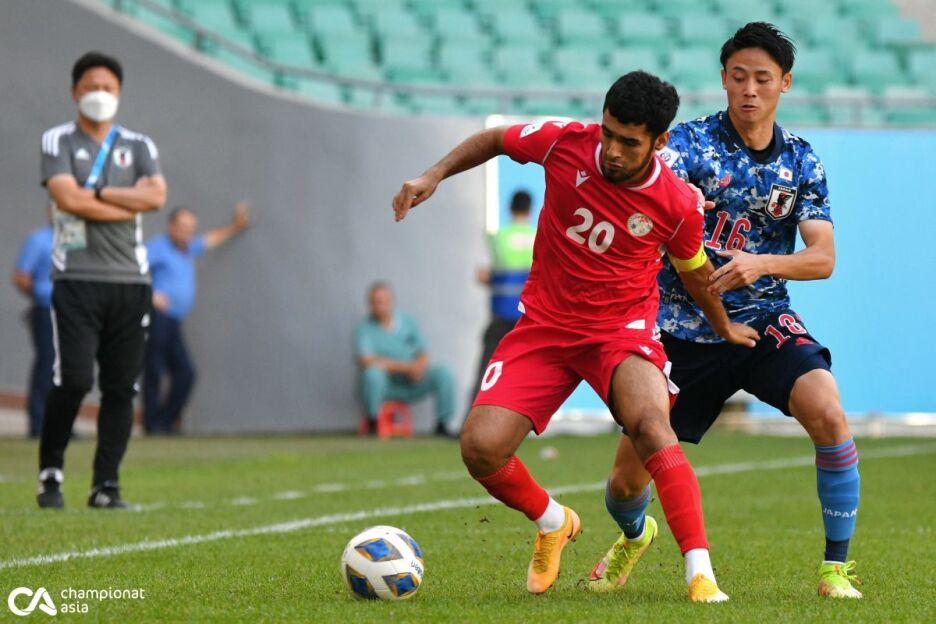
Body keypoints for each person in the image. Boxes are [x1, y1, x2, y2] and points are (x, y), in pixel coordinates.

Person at [392, 71, 759, 601]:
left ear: (659, 142)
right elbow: (496, 139)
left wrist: (722, 325)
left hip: (619, 333)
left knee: (653, 427)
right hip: (544, 327)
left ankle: (700, 574)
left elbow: (694, 272)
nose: (612, 151)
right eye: (608, 133)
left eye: (628, 142)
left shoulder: (677, 204)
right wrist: (433, 175)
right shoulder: (565, 143)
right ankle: (553, 521)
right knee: (480, 448)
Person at [590, 23, 863, 600]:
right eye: (739, 76)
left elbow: (822, 258)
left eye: (763, 78)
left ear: (785, 84)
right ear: (723, 79)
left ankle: (835, 570)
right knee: (623, 487)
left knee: (829, 413)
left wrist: (761, 264)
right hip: (681, 330)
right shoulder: (688, 146)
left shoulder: (801, 161)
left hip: (762, 321)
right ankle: (635, 534)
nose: (749, 89)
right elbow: (641, 198)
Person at [37, 51, 166, 509]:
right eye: (91, 86)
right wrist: (125, 201)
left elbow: (156, 196)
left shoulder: (139, 144)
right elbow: (66, 199)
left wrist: (94, 193)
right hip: (76, 279)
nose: (99, 94)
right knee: (73, 379)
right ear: (75, 91)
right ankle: (50, 472)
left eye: (108, 88)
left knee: (121, 387)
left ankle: (105, 485)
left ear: (120, 93)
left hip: (131, 281)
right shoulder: (57, 140)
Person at [143, 202, 251, 435]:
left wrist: (236, 226)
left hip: (174, 321)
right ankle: (152, 426)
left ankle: (164, 422)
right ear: (171, 226)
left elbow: (210, 240)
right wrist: (150, 294)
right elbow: (134, 268)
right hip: (158, 318)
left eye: (191, 228)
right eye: (182, 227)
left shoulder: (188, 248)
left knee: (185, 373)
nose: (187, 232)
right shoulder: (159, 247)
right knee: (154, 371)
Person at [355, 282, 456, 436]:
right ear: (370, 305)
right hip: (386, 385)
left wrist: (419, 368)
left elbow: (423, 350)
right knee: (373, 374)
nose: (379, 306)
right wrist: (406, 367)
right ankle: (373, 422)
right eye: (375, 302)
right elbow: (366, 360)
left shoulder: (408, 321)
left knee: (444, 373)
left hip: (411, 381)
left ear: (391, 301)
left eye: (382, 301)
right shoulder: (364, 329)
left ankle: (443, 423)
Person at [471, 190, 535, 398]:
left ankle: (473, 412)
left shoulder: (498, 238)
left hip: (501, 315)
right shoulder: (537, 237)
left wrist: (496, 278)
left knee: (486, 371)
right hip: (529, 317)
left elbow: (483, 275)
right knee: (528, 373)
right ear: (530, 210)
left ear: (510, 208)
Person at [12, 215, 54, 438]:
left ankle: (60, 422)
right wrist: (40, 294)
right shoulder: (39, 240)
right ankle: (38, 422)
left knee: (65, 369)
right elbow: (21, 276)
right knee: (47, 362)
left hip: (72, 312)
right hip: (46, 309)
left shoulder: (75, 241)